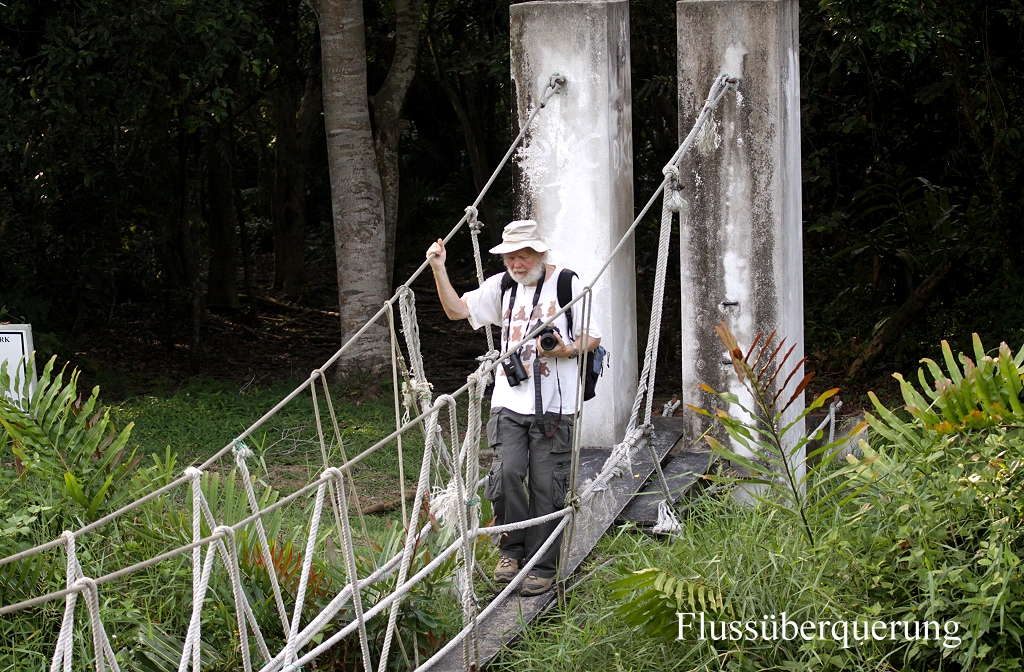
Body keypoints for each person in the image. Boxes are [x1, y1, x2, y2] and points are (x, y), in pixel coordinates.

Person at [426, 219, 601, 597]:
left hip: (555, 405)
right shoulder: (502, 286)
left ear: (541, 253)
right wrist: (439, 269)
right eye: (510, 257)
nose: (517, 264)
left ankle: (543, 564)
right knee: (505, 476)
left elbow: (592, 335)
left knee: (546, 486)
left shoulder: (567, 284)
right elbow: (457, 311)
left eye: (524, 256)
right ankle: (511, 550)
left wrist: (566, 349)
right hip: (508, 401)